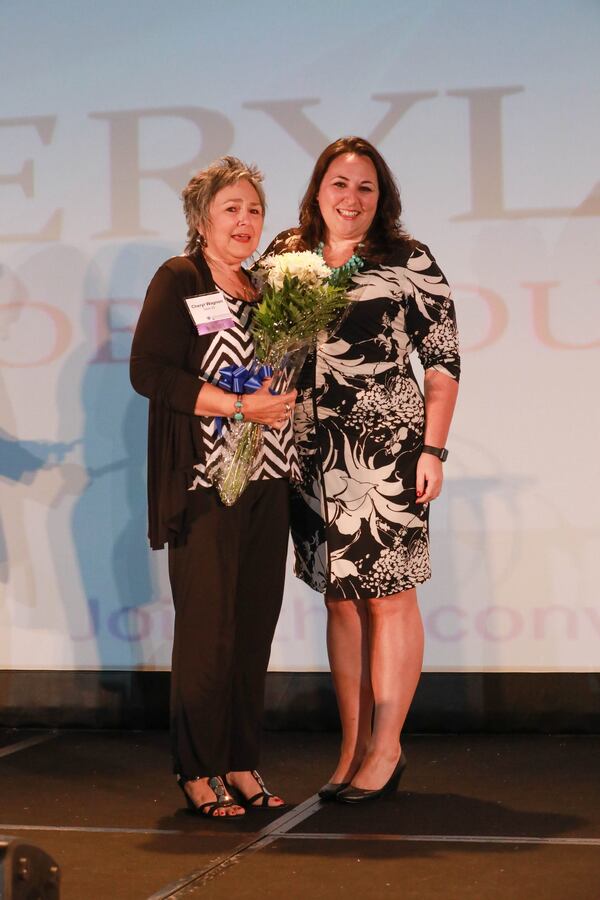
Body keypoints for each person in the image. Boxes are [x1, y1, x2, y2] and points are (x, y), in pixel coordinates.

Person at [263, 137, 460, 803]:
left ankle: (387, 746)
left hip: (386, 454)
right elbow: (258, 345)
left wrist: (433, 450)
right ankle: (349, 746)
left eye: (366, 187)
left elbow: (443, 363)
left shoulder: (408, 260)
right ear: (318, 188)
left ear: (382, 198)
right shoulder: (287, 256)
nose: (351, 197)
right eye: (339, 183)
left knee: (390, 596)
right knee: (340, 599)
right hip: (307, 456)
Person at [130, 157, 297, 819]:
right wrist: (235, 408)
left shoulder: (270, 288)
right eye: (231, 208)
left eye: (253, 209)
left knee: (254, 626)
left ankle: (240, 760)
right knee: (209, 628)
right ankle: (198, 771)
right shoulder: (180, 279)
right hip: (204, 480)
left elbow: (277, 372)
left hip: (269, 477)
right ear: (201, 219)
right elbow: (149, 373)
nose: (244, 220)